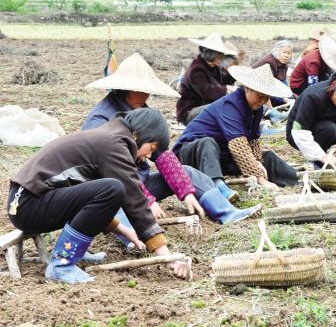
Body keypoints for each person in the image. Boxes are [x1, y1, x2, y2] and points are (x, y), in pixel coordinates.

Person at [6, 109, 191, 284]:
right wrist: (166, 256)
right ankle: (61, 265)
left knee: (108, 189)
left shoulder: (109, 136)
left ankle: (74, 251)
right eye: (151, 147)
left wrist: (123, 230)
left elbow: (86, 199)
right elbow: (135, 199)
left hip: (24, 202)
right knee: (114, 189)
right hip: (28, 204)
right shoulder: (114, 145)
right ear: (138, 134)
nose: (148, 155)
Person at [84, 53, 260, 224]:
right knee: (117, 200)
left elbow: (162, 154)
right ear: (123, 88)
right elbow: (111, 170)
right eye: (140, 90)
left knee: (188, 173)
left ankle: (228, 213)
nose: (146, 96)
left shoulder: (142, 111)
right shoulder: (100, 121)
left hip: (140, 182)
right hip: (112, 188)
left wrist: (185, 190)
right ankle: (132, 238)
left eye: (147, 91)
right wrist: (146, 200)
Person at [173, 64, 299, 191]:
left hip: (220, 155)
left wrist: (258, 162)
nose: (262, 101)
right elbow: (238, 146)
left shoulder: (257, 109)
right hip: (191, 154)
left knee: (267, 157)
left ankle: (299, 179)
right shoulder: (231, 105)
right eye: (260, 96)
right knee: (208, 143)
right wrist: (260, 178)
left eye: (266, 97)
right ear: (247, 89)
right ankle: (218, 187)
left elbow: (253, 141)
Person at [176, 33, 238, 124]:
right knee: (220, 107)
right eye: (219, 55)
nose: (222, 58)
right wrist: (226, 89)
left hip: (204, 109)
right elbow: (207, 91)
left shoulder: (213, 68)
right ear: (211, 54)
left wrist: (234, 71)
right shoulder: (196, 70)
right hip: (190, 112)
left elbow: (223, 81)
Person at [251, 40, 293, 123]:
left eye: (289, 53)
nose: (286, 55)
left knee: (291, 99)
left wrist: (290, 97)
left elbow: (283, 84)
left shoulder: (283, 65)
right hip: (256, 90)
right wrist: (284, 100)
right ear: (277, 51)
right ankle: (271, 113)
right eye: (284, 52)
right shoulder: (269, 63)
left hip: (269, 90)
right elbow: (266, 88)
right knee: (277, 112)